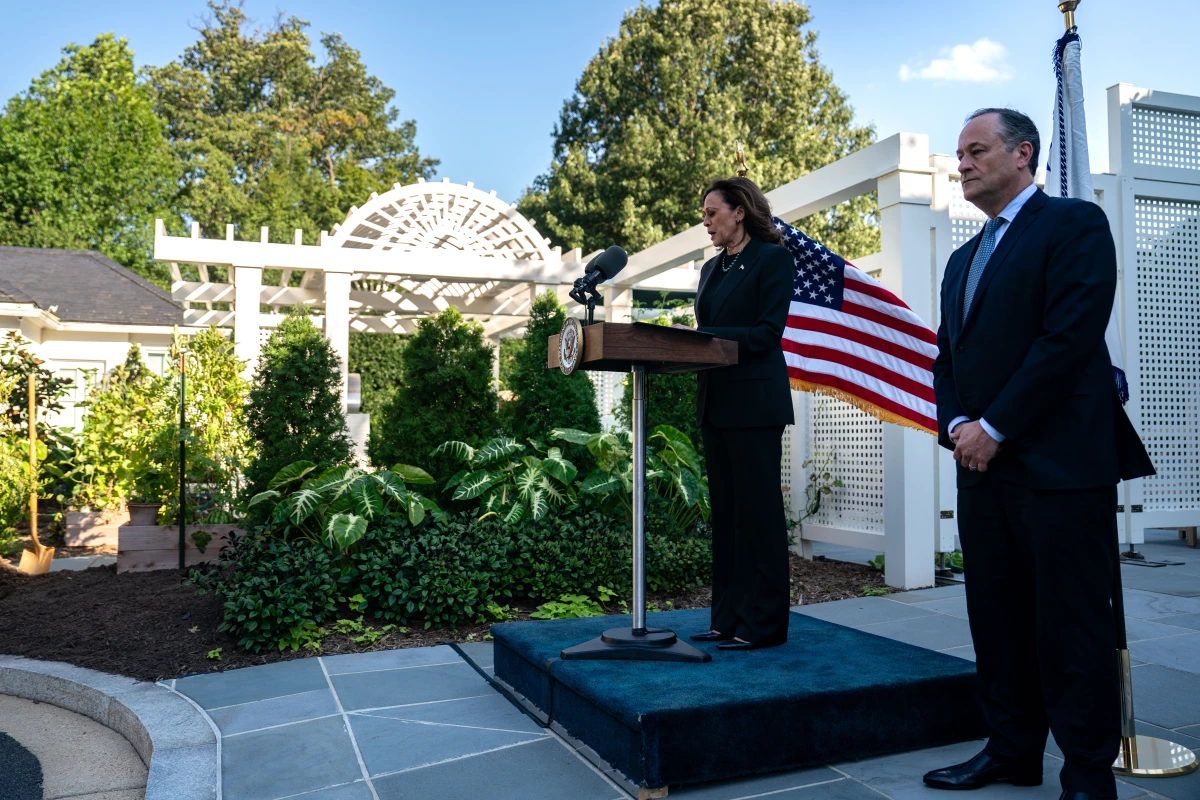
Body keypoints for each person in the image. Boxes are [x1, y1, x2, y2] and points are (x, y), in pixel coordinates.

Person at [927, 108, 1154, 800]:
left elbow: (1068, 338)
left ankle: (1087, 774)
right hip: (982, 471)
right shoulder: (964, 257)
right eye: (957, 154)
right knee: (995, 622)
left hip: (1058, 467)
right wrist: (960, 422)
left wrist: (995, 425)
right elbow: (947, 358)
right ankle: (1011, 750)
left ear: (1023, 153)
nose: (961, 163)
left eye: (976, 150)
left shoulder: (1075, 226)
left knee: (1072, 627)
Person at [683, 176, 795, 651]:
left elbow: (767, 333)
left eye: (712, 213)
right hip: (717, 402)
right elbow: (708, 327)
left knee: (759, 516)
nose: (706, 222)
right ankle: (726, 619)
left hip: (755, 404)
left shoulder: (773, 259)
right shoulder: (711, 270)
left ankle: (763, 625)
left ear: (739, 211)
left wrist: (705, 341)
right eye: (704, 215)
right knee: (726, 518)